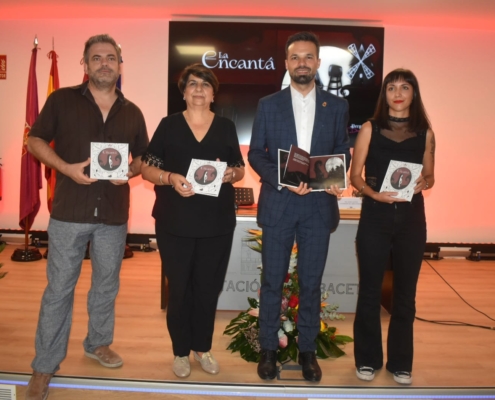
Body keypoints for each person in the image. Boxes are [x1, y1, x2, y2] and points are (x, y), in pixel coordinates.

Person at [25, 34, 149, 399]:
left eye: (111, 57)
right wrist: (65, 168)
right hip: (70, 212)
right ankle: (44, 366)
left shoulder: (133, 111)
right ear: (85, 63)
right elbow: (34, 139)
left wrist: (131, 171)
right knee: (59, 290)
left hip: (113, 214)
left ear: (119, 64)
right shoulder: (61, 100)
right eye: (97, 58)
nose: (104, 64)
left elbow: (143, 157)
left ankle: (98, 343)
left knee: (106, 285)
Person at [248, 32, 351, 382]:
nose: (302, 63)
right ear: (287, 63)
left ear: (318, 63)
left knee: (311, 282)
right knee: (272, 282)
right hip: (279, 203)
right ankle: (268, 351)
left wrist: (330, 177)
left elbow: (342, 151)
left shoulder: (336, 107)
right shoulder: (268, 104)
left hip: (318, 207)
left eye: (309, 57)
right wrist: (282, 179)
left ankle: (308, 353)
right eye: (296, 57)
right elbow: (256, 154)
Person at [141, 63, 245, 378]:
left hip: (216, 223)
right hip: (175, 223)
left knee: (208, 288)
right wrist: (169, 177)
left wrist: (230, 174)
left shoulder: (226, 127)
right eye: (192, 84)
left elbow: (239, 168)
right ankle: (181, 352)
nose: (198, 89)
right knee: (180, 289)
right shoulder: (168, 125)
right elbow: (147, 168)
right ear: (183, 92)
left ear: (213, 93)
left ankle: (203, 348)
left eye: (204, 84)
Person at [351, 68, 435, 385]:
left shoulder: (426, 132)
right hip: (375, 215)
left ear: (414, 94)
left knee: (405, 296)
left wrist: (422, 182)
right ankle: (368, 360)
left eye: (404, 87)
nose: (397, 93)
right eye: (391, 88)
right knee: (370, 291)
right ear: (384, 94)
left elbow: (430, 176)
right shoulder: (370, 128)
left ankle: (401, 362)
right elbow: (355, 176)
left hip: (412, 219)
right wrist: (373, 193)